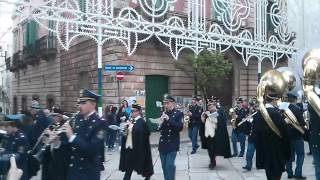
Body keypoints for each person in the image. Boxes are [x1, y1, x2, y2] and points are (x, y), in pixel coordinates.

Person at [60, 89, 106, 180]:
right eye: (79, 102)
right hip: (73, 171)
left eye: (83, 103)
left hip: (88, 173)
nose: (79, 106)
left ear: (93, 104)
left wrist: (72, 137)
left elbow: (91, 149)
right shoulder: (76, 119)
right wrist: (57, 142)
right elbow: (69, 146)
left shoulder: (101, 123)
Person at [254, 93, 291, 180]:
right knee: (276, 173)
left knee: (269, 172)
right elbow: (284, 132)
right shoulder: (275, 113)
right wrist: (286, 123)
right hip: (276, 148)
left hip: (263, 147)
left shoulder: (259, 113)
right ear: (274, 100)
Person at [119, 104, 153, 180]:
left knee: (142, 164)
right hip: (129, 147)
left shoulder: (141, 121)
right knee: (128, 166)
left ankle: (147, 176)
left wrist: (131, 126)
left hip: (138, 148)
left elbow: (142, 132)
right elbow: (125, 134)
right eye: (131, 111)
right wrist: (125, 129)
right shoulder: (131, 120)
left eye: (133, 111)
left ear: (138, 112)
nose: (132, 113)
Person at [158, 94, 183, 180]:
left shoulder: (179, 114)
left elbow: (180, 127)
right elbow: (157, 128)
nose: (166, 105)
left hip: (172, 143)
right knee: (164, 166)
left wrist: (169, 119)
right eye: (164, 103)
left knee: (169, 165)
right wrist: (159, 123)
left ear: (172, 103)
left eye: (167, 103)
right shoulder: (162, 113)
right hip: (162, 144)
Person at [200, 101, 231, 169]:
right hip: (209, 135)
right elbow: (203, 122)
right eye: (209, 107)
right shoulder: (207, 113)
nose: (210, 108)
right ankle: (212, 161)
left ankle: (213, 161)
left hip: (217, 135)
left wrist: (209, 115)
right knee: (210, 149)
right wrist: (203, 115)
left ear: (214, 106)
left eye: (212, 106)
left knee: (214, 149)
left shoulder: (218, 112)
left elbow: (216, 120)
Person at [41, 109, 69, 180]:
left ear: (60, 117)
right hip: (49, 157)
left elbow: (65, 143)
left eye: (55, 116)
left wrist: (52, 135)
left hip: (60, 159)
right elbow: (46, 141)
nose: (53, 118)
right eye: (53, 116)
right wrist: (44, 138)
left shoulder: (65, 128)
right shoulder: (51, 126)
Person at [285, 92, 306, 179]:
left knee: (289, 155)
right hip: (297, 136)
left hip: (287, 136)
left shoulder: (283, 109)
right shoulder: (297, 109)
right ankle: (298, 173)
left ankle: (289, 173)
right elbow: (302, 123)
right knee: (300, 155)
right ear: (295, 99)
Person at [1, 114, 30, 180]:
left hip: (19, 168)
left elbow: (20, 155)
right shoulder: (11, 135)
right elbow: (9, 148)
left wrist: (5, 154)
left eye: (7, 126)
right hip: (10, 166)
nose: (5, 128)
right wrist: (3, 150)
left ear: (13, 126)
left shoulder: (21, 137)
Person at [309, 94, 320, 180]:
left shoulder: (311, 104)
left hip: (315, 139)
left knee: (318, 166)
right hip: (316, 139)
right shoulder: (312, 105)